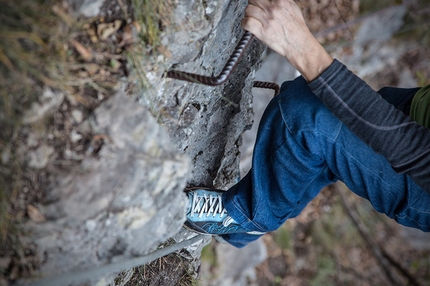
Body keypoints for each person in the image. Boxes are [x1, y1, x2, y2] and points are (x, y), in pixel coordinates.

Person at [184, 0, 430, 248]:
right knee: (326, 150)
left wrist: (300, 46)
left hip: (424, 183)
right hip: (421, 109)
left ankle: (247, 216)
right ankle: (252, 221)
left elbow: (414, 151)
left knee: (307, 115)